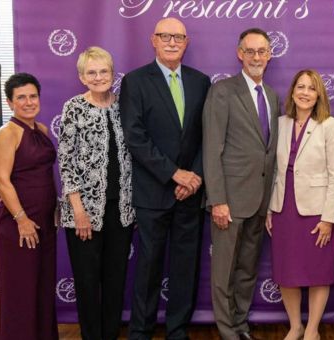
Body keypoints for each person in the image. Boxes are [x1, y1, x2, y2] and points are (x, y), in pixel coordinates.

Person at [119, 18, 211, 339]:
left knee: (185, 266)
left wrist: (194, 176)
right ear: (153, 40)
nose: (172, 42)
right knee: (148, 267)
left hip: (191, 193)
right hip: (153, 192)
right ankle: (141, 331)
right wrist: (175, 174)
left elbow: (207, 136)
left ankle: (177, 329)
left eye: (179, 37)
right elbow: (135, 137)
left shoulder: (202, 82)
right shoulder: (135, 81)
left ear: (186, 43)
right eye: (165, 36)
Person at [203, 28, 279, 340]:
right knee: (223, 271)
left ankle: (240, 323)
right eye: (250, 51)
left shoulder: (273, 96)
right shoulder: (223, 91)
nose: (256, 57)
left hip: (259, 201)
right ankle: (226, 330)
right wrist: (217, 200)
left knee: (247, 268)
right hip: (230, 201)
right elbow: (212, 149)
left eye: (262, 51)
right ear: (240, 54)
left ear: (270, 54)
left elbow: (268, 152)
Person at [58, 46, 135, 340]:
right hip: (83, 212)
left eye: (104, 71)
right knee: (88, 283)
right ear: (82, 76)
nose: (99, 77)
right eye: (92, 72)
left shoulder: (124, 106)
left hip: (122, 210)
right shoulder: (74, 108)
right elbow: (66, 161)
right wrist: (78, 211)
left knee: (115, 282)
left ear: (113, 75)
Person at [266, 69, 334, 340]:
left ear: (319, 94)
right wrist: (269, 208)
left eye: (311, 88)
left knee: (318, 271)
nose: (305, 93)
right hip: (283, 208)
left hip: (316, 211)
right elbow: (273, 169)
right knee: (287, 271)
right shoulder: (281, 123)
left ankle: (312, 329)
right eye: (300, 87)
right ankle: (295, 326)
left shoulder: (330, 125)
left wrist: (329, 218)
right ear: (292, 91)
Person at [0, 73, 58, 340]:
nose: (28, 102)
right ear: (10, 103)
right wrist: (21, 219)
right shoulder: (7, 134)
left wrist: (53, 207)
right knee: (20, 288)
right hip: (17, 223)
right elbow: (1, 180)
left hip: (44, 220)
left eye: (33, 96)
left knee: (41, 286)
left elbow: (44, 174)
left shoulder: (40, 130)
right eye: (21, 98)